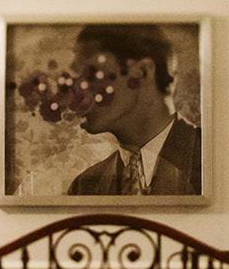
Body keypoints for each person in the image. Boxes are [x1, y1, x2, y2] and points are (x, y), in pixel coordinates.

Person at [65, 23, 201, 196]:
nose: (76, 89)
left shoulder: (215, 162)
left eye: (92, 73)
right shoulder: (84, 187)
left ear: (142, 72)